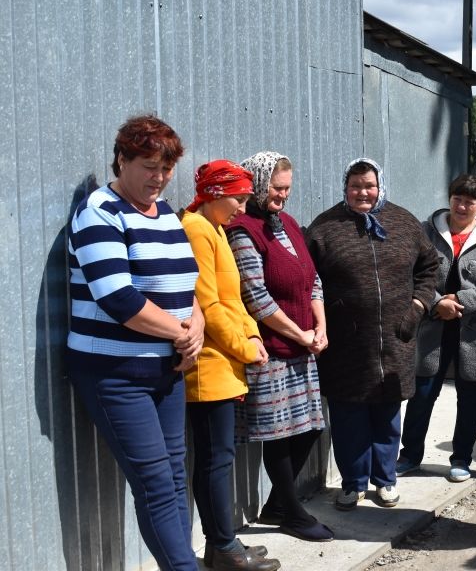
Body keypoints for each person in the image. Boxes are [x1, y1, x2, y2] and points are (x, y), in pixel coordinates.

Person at [66, 115, 203, 571]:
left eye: (166, 169)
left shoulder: (163, 211)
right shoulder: (98, 212)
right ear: (121, 159)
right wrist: (183, 335)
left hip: (168, 370)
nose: (159, 179)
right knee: (156, 484)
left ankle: (181, 563)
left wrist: (196, 325)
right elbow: (119, 298)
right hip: (116, 374)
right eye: (149, 166)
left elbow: (186, 286)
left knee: (174, 477)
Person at [306, 158, 438, 511]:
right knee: (348, 414)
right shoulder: (325, 227)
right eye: (355, 186)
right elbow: (309, 281)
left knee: (386, 412)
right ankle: (353, 482)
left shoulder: (404, 222)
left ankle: (385, 479)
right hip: (346, 341)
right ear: (344, 187)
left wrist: (417, 307)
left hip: (396, 337)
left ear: (380, 186)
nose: (362, 192)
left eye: (369, 185)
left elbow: (430, 268)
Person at [225, 151, 333, 542]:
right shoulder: (243, 229)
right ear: (256, 183)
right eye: (276, 187)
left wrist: (319, 326)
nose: (283, 196)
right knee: (280, 435)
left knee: (308, 429)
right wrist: (300, 335)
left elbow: (313, 279)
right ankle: (292, 514)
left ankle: (276, 504)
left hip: (303, 346)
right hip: (271, 349)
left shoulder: (287, 223)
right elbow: (255, 297)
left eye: (287, 188)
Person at [181, 160, 280, 571]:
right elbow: (209, 302)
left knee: (219, 456)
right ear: (216, 194)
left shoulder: (215, 228)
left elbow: (233, 298)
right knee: (215, 458)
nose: (243, 207)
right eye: (238, 198)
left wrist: (253, 335)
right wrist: (244, 346)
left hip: (225, 363)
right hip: (208, 366)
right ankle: (222, 547)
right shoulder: (196, 229)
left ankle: (224, 541)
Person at [396, 174, 476, 483]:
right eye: (457, 199)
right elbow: (411, 273)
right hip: (433, 327)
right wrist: (436, 303)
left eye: (470, 202)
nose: (462, 206)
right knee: (422, 393)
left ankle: (461, 459)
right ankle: (410, 455)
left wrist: (460, 300)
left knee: (470, 397)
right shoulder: (427, 231)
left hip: (474, 331)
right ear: (449, 199)